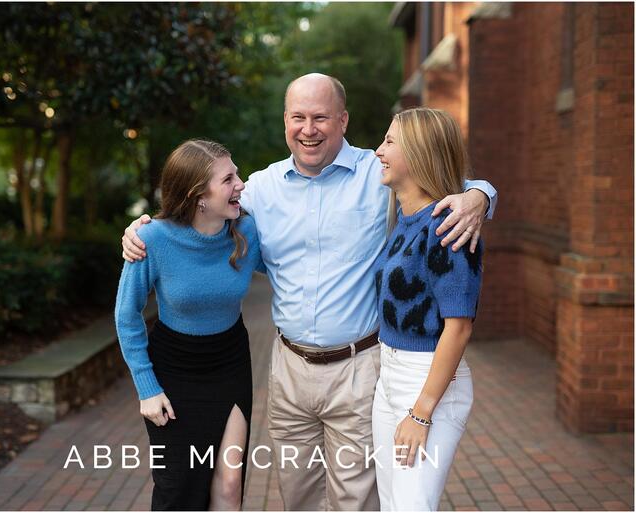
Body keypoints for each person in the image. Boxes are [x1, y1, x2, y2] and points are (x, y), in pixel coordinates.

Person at [121, 73, 497, 511]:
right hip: (289, 370)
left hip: (359, 368)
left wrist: (480, 197)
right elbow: (197, 213)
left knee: (355, 501)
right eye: (298, 117)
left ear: (343, 120)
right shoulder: (259, 189)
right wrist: (141, 230)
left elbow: (440, 178)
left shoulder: (378, 175)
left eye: (320, 117)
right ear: (285, 121)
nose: (308, 129)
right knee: (296, 497)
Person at [114, 139, 263, 511]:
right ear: (198, 196)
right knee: (178, 491)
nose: (240, 184)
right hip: (174, 372)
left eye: (237, 174)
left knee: (230, 482)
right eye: (228, 179)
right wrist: (147, 387)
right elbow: (127, 315)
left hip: (230, 363)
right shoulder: (151, 239)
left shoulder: (247, 231)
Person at [372, 108, 482, 510]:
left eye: (389, 142)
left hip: (427, 381)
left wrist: (421, 413)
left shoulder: (448, 225)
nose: (378, 151)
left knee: (412, 505)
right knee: (392, 503)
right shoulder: (406, 219)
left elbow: (459, 327)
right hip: (389, 376)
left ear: (419, 153)